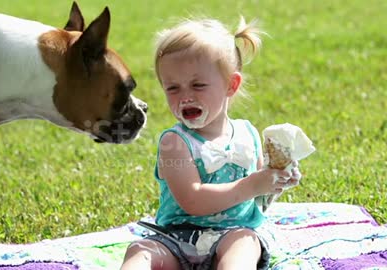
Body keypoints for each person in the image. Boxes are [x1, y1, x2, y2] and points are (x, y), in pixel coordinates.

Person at [120, 16, 302, 270]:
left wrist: (275, 180)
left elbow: (258, 191)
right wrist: (251, 185)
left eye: (198, 85)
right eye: (173, 88)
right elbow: (192, 201)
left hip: (232, 233)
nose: (185, 97)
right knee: (142, 250)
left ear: (231, 84)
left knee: (246, 242)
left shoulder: (247, 134)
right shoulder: (175, 142)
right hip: (176, 238)